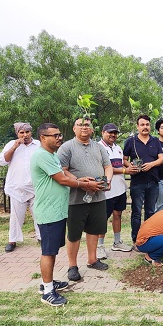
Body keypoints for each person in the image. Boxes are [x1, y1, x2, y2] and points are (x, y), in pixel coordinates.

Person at [31, 123, 103, 306]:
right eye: (54, 135)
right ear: (42, 137)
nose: (58, 138)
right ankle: (47, 291)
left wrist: (79, 179)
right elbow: (62, 178)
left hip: (57, 211)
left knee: (53, 250)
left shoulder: (52, 155)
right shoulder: (42, 155)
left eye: (59, 135)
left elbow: (65, 175)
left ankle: (47, 282)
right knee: (48, 252)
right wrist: (85, 184)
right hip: (48, 212)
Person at [57, 117, 113, 282]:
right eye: (80, 124)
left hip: (98, 196)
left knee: (94, 230)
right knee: (74, 233)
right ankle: (72, 266)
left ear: (92, 129)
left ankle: (92, 259)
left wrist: (107, 180)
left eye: (87, 125)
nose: (84, 127)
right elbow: (62, 170)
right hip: (76, 198)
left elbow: (107, 166)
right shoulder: (67, 147)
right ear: (74, 128)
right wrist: (81, 183)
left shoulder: (98, 147)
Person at [0, 122, 41, 252]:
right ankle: (12, 240)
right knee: (16, 216)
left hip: (35, 187)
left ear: (31, 132)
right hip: (17, 187)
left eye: (27, 132)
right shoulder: (11, 144)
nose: (25, 135)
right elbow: (1, 162)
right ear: (17, 134)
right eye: (22, 133)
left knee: (39, 214)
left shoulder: (38, 145)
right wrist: (15, 147)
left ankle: (41, 237)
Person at [123, 115, 163, 244]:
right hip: (137, 183)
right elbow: (124, 159)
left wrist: (151, 164)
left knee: (150, 211)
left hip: (153, 182)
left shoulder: (155, 141)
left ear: (150, 126)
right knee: (136, 212)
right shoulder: (131, 141)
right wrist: (130, 166)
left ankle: (149, 237)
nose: (145, 127)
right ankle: (136, 238)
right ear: (137, 126)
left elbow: (161, 159)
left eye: (147, 124)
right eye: (142, 125)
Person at [96, 123, 133, 260]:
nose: (112, 135)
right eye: (109, 132)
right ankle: (99, 246)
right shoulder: (98, 148)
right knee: (102, 218)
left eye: (115, 133)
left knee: (118, 214)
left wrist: (131, 167)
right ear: (102, 132)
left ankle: (117, 242)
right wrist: (125, 170)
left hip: (120, 188)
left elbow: (121, 163)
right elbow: (105, 167)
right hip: (106, 190)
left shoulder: (118, 148)